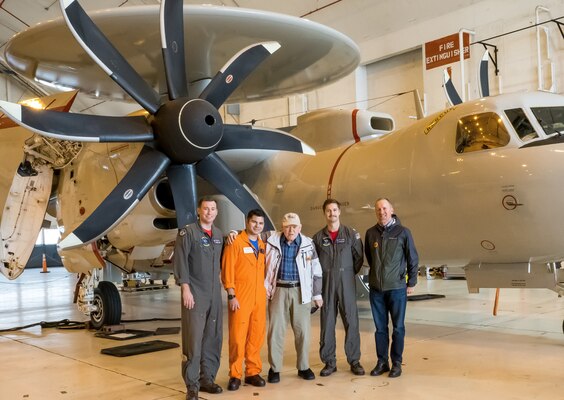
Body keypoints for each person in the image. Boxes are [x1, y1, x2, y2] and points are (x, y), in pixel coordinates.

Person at [173, 197, 224, 400]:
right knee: (193, 341)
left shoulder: (219, 234)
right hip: (195, 293)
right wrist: (185, 288)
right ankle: (192, 386)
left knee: (213, 338)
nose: (209, 212)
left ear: (216, 212)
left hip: (214, 294)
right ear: (198, 210)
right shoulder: (188, 232)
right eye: (206, 208)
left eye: (212, 209)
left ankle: (207, 379)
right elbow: (181, 261)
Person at [264, 212, 323, 383]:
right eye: (287, 226)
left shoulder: (308, 244)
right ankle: (274, 368)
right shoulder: (270, 239)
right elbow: (250, 232)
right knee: (275, 331)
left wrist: (317, 295)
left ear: (300, 228)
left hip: (300, 291)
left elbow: (316, 271)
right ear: (282, 227)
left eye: (294, 226)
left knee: (303, 331)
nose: (291, 230)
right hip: (278, 290)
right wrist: (233, 233)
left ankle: (303, 367)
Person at [364, 198, 419, 378]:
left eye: (385, 208)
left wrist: (411, 283)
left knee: (398, 328)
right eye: (378, 209)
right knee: (380, 329)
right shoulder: (370, 233)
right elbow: (370, 259)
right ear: (376, 212)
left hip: (396, 288)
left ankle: (396, 363)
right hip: (376, 290)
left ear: (392, 210)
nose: (382, 212)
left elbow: (412, 258)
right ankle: (382, 362)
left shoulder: (403, 232)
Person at [312, 199, 365, 377]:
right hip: (326, 283)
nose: (332, 213)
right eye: (328, 211)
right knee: (327, 322)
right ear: (325, 214)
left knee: (351, 320)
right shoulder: (318, 238)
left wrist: (347, 273)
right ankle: (329, 362)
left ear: (339, 212)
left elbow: (358, 258)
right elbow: (314, 264)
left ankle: (354, 360)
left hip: (346, 282)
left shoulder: (351, 234)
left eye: (335, 210)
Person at [221, 209, 268, 391]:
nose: (257, 226)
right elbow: (228, 270)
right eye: (254, 222)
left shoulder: (262, 244)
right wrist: (231, 294)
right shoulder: (235, 242)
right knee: (238, 337)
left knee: (256, 335)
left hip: (259, 297)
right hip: (241, 297)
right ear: (247, 222)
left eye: (260, 223)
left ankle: (252, 372)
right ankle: (235, 374)